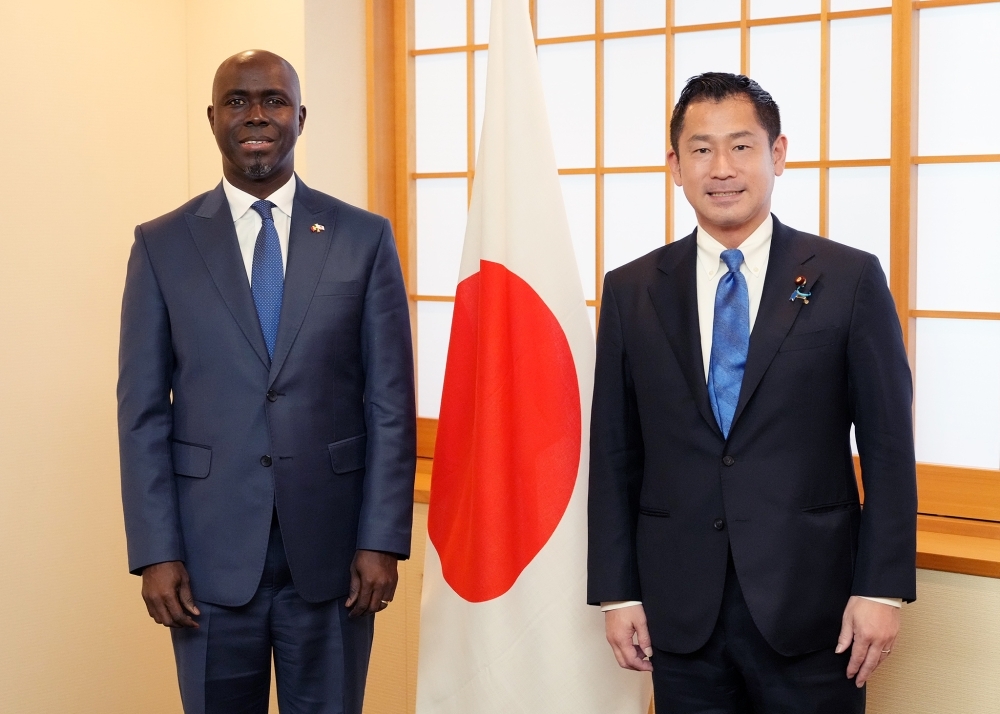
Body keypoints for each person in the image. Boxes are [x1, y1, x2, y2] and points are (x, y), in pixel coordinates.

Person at [587, 73, 916, 713]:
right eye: (701, 149)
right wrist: (617, 592)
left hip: (816, 606)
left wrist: (882, 588)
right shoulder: (632, 291)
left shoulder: (848, 278)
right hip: (680, 609)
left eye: (741, 146)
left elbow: (888, 446)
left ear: (778, 155)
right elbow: (613, 453)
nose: (722, 168)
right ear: (675, 166)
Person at [118, 49, 415, 714]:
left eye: (273, 101)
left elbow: (390, 402)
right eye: (237, 101)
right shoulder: (161, 245)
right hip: (205, 562)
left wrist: (381, 538)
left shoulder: (363, 238)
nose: (256, 116)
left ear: (300, 117)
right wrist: (155, 553)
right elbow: (142, 412)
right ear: (213, 118)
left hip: (338, 558)